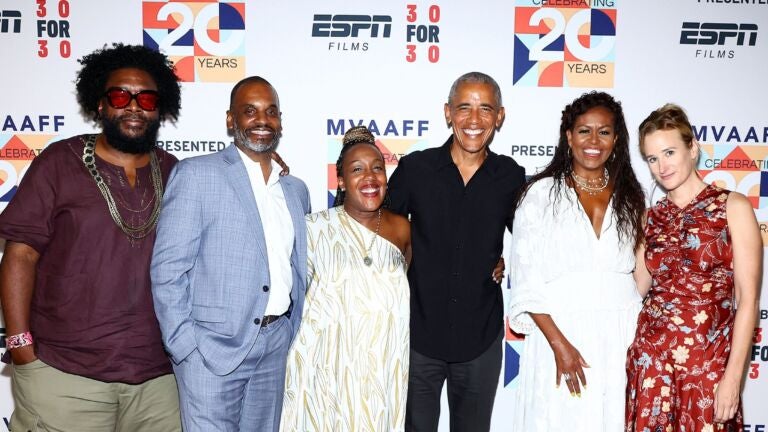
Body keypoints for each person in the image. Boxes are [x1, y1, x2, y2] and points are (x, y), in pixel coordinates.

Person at [0, 43, 182, 431]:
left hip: (159, 380)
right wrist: (20, 348)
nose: (134, 106)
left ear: (160, 108)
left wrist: (265, 167)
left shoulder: (176, 173)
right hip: (64, 375)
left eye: (147, 98)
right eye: (120, 95)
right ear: (100, 104)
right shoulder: (58, 162)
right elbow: (21, 255)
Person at [150, 76, 311, 432]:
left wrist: (288, 335)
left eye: (271, 112)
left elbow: (296, 269)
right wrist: (186, 347)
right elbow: (168, 270)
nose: (262, 120)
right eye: (249, 111)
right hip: (210, 352)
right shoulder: (197, 174)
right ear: (230, 120)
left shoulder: (295, 189)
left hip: (274, 346)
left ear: (281, 120)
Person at [388, 72, 525, 432]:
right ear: (448, 113)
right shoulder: (416, 169)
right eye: (464, 107)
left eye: (485, 109)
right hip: (419, 335)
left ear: (500, 116)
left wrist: (506, 261)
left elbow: (533, 241)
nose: (474, 120)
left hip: (479, 338)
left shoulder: (510, 176)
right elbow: (379, 230)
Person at [507, 91, 646, 431]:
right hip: (562, 334)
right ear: (569, 136)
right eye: (584, 130)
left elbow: (641, 273)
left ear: (616, 139)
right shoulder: (540, 195)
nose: (594, 140)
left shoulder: (631, 196)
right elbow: (526, 280)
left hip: (621, 336)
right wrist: (560, 346)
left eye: (605, 131)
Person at [625, 104, 760, 431]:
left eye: (669, 152)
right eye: (652, 158)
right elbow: (639, 287)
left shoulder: (732, 206)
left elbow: (748, 301)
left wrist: (733, 377)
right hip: (652, 365)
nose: (661, 166)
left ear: (693, 148)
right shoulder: (650, 217)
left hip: (707, 369)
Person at [279, 126, 412, 431]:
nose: (370, 177)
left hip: (381, 372)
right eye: (357, 169)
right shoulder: (313, 229)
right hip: (323, 372)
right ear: (340, 180)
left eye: (378, 168)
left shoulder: (403, 229)